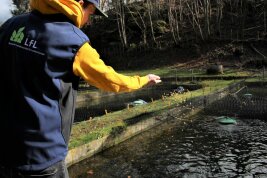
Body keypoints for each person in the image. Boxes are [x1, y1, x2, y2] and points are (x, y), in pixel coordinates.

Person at [0, 0, 161, 177]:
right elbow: (111, 81)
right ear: (80, 3)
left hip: (5, 150)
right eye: (90, 13)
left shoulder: (11, 25)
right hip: (44, 155)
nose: (89, 21)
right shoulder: (74, 42)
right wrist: (144, 80)